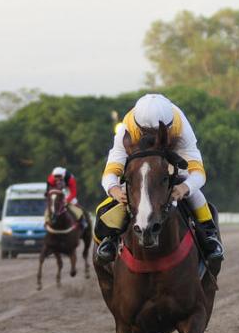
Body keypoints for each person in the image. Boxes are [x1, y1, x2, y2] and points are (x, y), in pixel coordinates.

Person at [94, 93, 224, 263]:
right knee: (126, 188)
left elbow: (198, 172)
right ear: (139, 127)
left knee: (193, 190)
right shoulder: (127, 126)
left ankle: (209, 235)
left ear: (169, 125)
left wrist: (185, 188)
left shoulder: (180, 125)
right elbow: (112, 167)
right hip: (139, 157)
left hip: (172, 153)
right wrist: (114, 189)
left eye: (159, 132)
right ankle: (110, 238)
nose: (153, 137)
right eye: (148, 132)